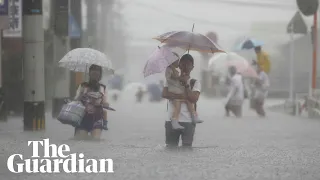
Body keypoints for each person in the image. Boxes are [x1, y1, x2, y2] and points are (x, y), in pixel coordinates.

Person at [162, 54, 201, 148]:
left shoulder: (194, 82)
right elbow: (165, 94)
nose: (185, 67)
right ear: (179, 65)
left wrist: (186, 84)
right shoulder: (171, 79)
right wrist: (181, 96)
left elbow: (194, 98)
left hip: (188, 121)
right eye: (183, 64)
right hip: (171, 120)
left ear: (192, 67)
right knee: (170, 149)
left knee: (187, 149)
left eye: (188, 65)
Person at [74, 65, 109, 140]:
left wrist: (104, 104)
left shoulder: (102, 88)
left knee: (95, 140)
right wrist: (81, 95)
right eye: (93, 74)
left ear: (100, 75)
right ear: (89, 74)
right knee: (81, 140)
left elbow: (105, 102)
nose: (95, 76)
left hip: (97, 118)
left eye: (97, 74)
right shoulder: (83, 86)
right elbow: (76, 100)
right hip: (83, 118)